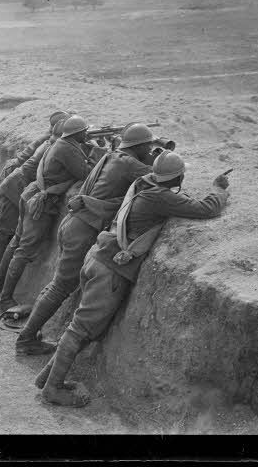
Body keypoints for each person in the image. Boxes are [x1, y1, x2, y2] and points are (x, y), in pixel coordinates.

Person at [34, 151, 230, 407]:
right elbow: (207, 208)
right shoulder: (159, 197)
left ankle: (47, 377)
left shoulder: (144, 183)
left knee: (81, 324)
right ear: (178, 176)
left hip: (97, 258)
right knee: (81, 329)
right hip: (110, 271)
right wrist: (219, 189)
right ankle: (52, 389)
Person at [14, 123, 162, 356]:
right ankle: (26, 338)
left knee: (57, 284)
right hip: (83, 229)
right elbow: (163, 176)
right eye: (149, 145)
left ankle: (29, 332)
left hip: (74, 223)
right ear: (141, 146)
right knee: (60, 287)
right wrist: (162, 157)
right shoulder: (129, 164)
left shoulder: (113, 156)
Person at [0, 115, 94, 312]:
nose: (87, 133)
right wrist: (95, 154)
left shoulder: (61, 143)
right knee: (24, 250)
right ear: (78, 133)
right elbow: (85, 173)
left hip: (31, 194)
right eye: (85, 131)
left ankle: (0, 286)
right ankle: (5, 298)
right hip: (41, 203)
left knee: (17, 242)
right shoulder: (67, 148)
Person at [0, 111, 69, 274]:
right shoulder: (51, 142)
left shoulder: (50, 139)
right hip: (15, 180)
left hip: (16, 177)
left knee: (3, 224)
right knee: (5, 228)